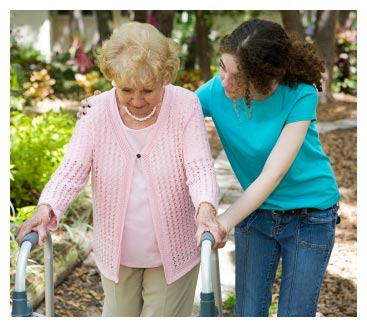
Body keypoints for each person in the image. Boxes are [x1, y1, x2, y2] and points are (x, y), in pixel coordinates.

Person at [15, 21, 225, 317]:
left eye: (148, 90)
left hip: (174, 253)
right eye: (126, 89)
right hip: (117, 254)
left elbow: (199, 167)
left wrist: (206, 210)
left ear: (165, 76)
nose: (137, 100)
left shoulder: (185, 105)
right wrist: (45, 208)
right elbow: (71, 171)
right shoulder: (95, 112)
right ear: (112, 77)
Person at [195, 18, 341, 317]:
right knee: (249, 313)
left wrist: (224, 221)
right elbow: (168, 111)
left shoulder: (300, 93)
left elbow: (273, 173)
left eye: (238, 77)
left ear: (263, 78)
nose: (225, 82)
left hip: (310, 215)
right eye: (223, 68)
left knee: (295, 314)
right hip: (256, 215)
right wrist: (103, 107)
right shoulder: (215, 91)